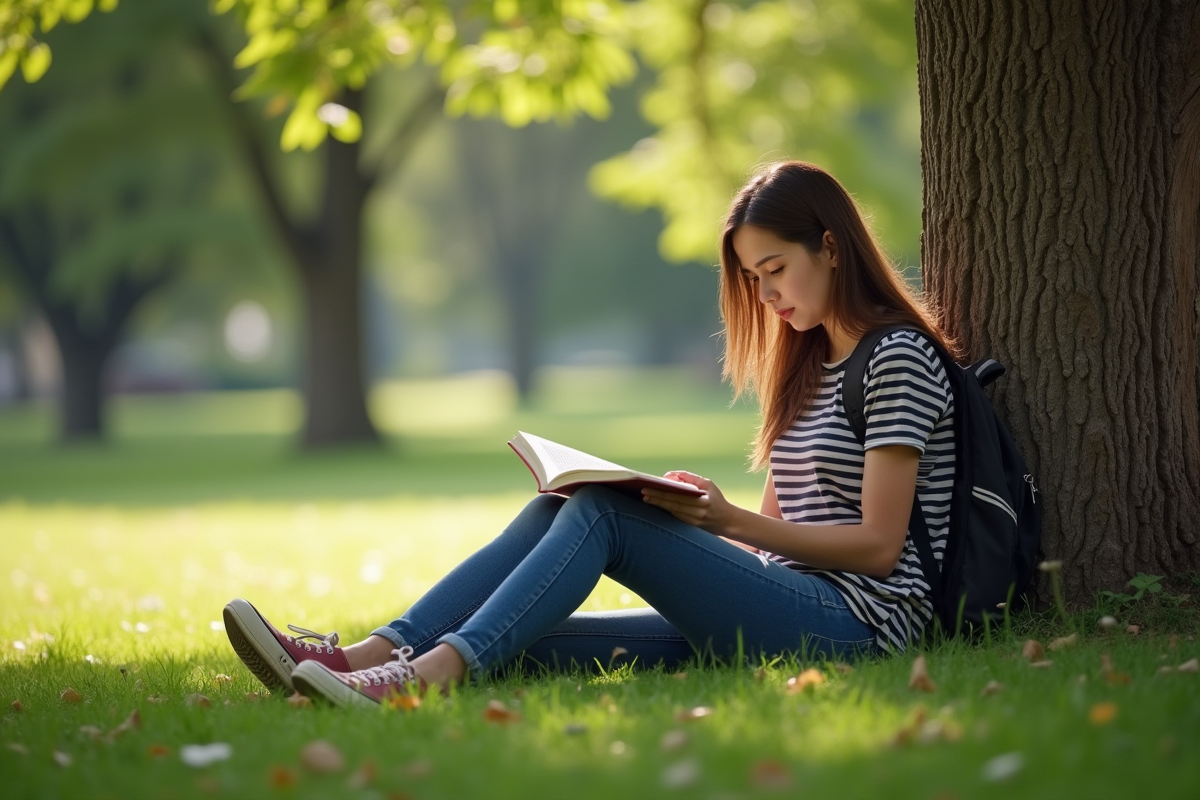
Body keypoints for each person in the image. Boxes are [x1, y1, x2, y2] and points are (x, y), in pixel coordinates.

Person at [223, 161, 958, 708]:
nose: (765, 295)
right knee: (524, 626)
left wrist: (722, 521)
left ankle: (418, 681)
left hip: (857, 627)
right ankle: (362, 660)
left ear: (831, 247)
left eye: (776, 269)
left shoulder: (894, 356)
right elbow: (774, 532)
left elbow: (878, 545)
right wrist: (700, 520)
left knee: (601, 513)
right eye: (751, 277)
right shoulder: (808, 362)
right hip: (783, 602)